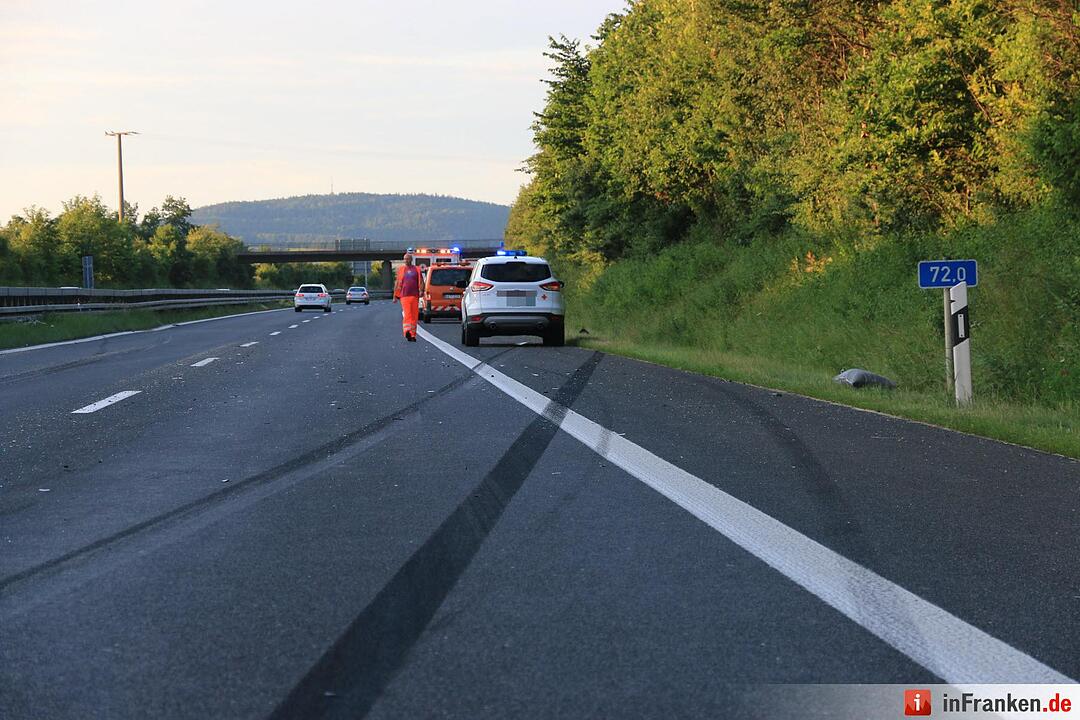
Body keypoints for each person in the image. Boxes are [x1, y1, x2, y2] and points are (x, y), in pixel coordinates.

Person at [392, 252, 425, 342]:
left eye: (407, 259)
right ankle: (407, 331)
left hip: (414, 295)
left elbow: (421, 281)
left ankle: (413, 335)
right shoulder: (401, 270)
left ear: (411, 260)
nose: (406, 260)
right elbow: (397, 283)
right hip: (404, 295)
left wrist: (421, 290)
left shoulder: (416, 269)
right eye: (405, 259)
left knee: (414, 315)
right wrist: (395, 295)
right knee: (408, 314)